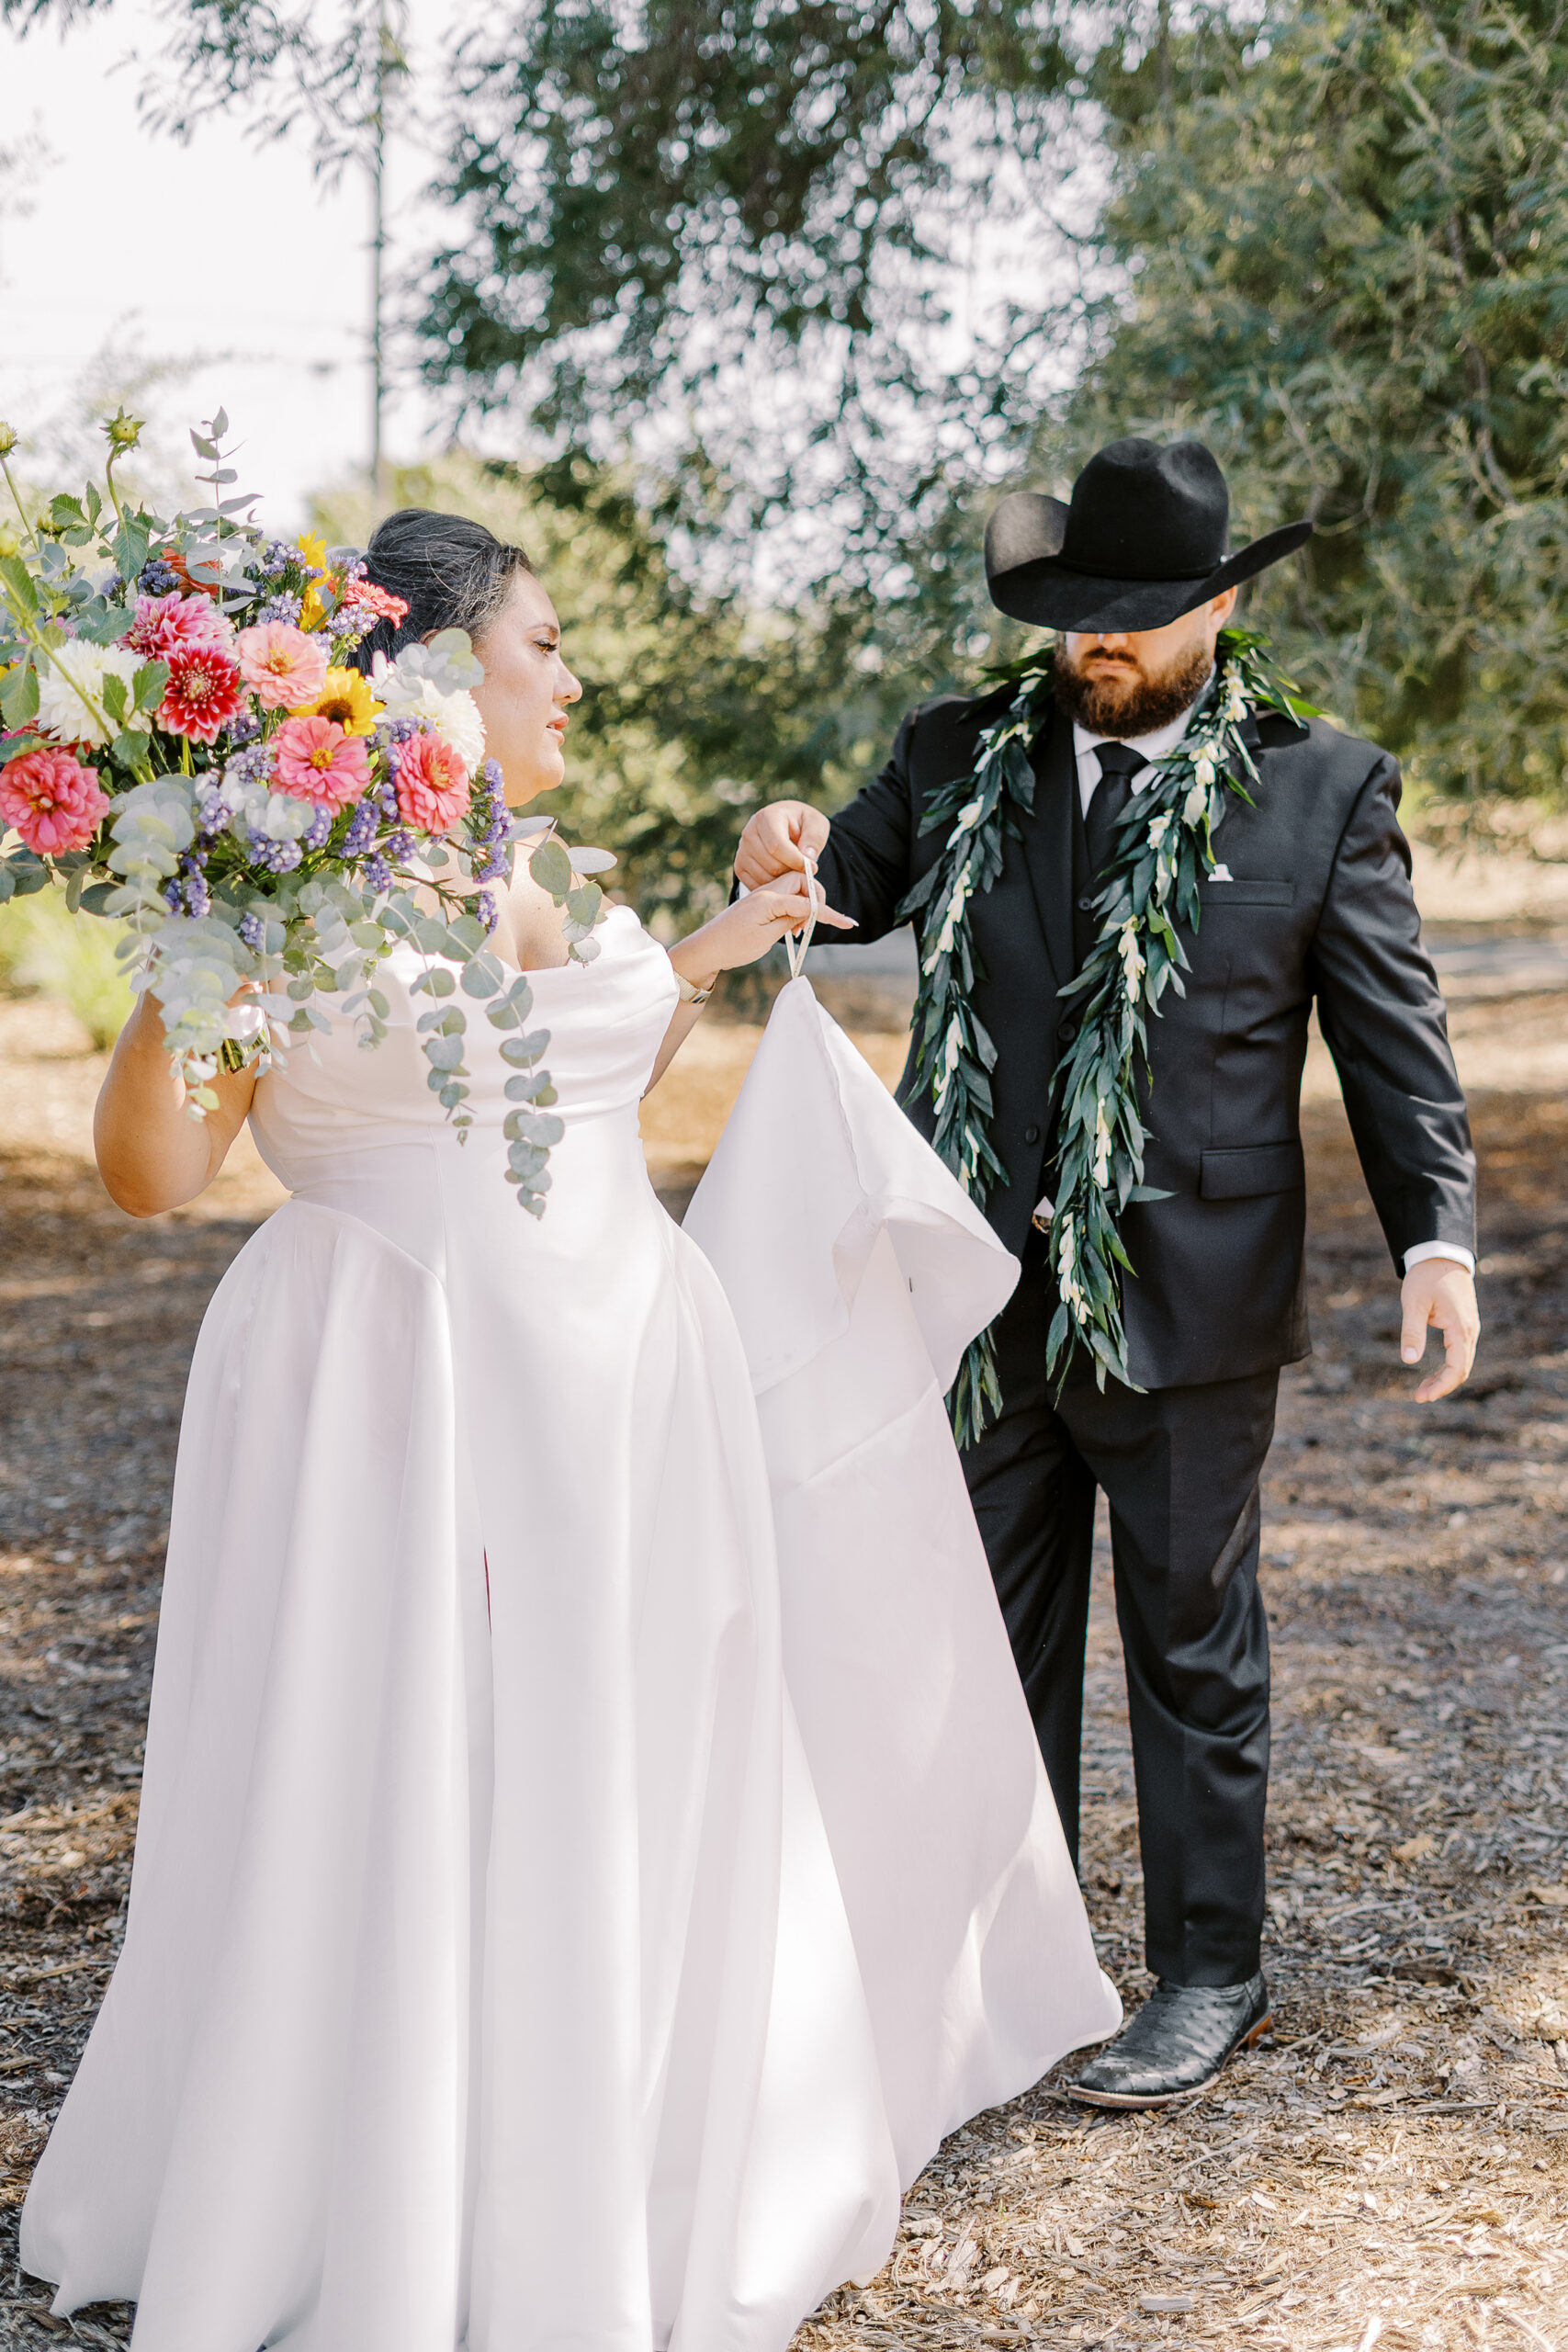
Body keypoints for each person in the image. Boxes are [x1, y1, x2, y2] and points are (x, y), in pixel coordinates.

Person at [19, 509, 1117, 2349]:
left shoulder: (528, 855)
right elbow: (148, 1174)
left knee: (616, 1757)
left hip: (621, 1390)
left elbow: (577, 1061)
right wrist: (196, 927)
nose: (577, 676)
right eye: (546, 644)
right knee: (416, 1764)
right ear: (438, 670)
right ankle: (393, 2187)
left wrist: (730, 926)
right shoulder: (283, 895)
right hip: (404, 1390)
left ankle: (614, 2153)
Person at [735, 436, 1481, 2109]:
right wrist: (781, 838)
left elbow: (1391, 1038)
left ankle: (1213, 1974)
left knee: (1191, 1640)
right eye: (1081, 616)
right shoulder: (952, 754)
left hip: (1195, 1297)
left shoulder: (1322, 784)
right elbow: (834, 890)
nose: (1102, 648)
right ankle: (1010, 1964)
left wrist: (1436, 1232)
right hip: (980, 1292)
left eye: (1140, 619)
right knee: (978, 1639)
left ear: (1219, 605)